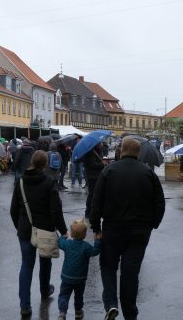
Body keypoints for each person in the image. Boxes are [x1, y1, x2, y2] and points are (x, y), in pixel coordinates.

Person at [90, 137, 165, 320]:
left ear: (121, 150)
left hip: (113, 228)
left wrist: (95, 226)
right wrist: (152, 224)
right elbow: (159, 203)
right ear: (138, 153)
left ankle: (111, 304)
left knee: (108, 266)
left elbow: (96, 201)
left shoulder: (108, 171)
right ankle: (130, 311)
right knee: (131, 272)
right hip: (140, 230)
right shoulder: (148, 173)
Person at [10, 150, 68, 317]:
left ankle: (25, 305)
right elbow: (56, 210)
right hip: (45, 229)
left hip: (25, 229)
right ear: (45, 164)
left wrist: (19, 226)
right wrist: (63, 230)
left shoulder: (21, 181)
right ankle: (44, 290)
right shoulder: (49, 182)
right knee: (45, 262)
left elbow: (14, 209)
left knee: (26, 265)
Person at [57, 219, 101, 320]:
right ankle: (78, 311)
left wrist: (63, 237)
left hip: (67, 277)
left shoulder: (67, 244)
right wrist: (98, 241)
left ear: (71, 234)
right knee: (79, 296)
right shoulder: (86, 247)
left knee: (64, 295)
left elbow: (60, 243)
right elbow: (95, 252)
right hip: (80, 278)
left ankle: (62, 313)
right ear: (84, 235)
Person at [83, 142, 105, 218]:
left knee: (93, 194)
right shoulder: (90, 152)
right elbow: (92, 164)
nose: (101, 144)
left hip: (95, 175)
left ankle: (91, 211)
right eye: (100, 143)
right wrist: (102, 164)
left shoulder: (95, 151)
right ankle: (88, 212)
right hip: (92, 176)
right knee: (92, 194)